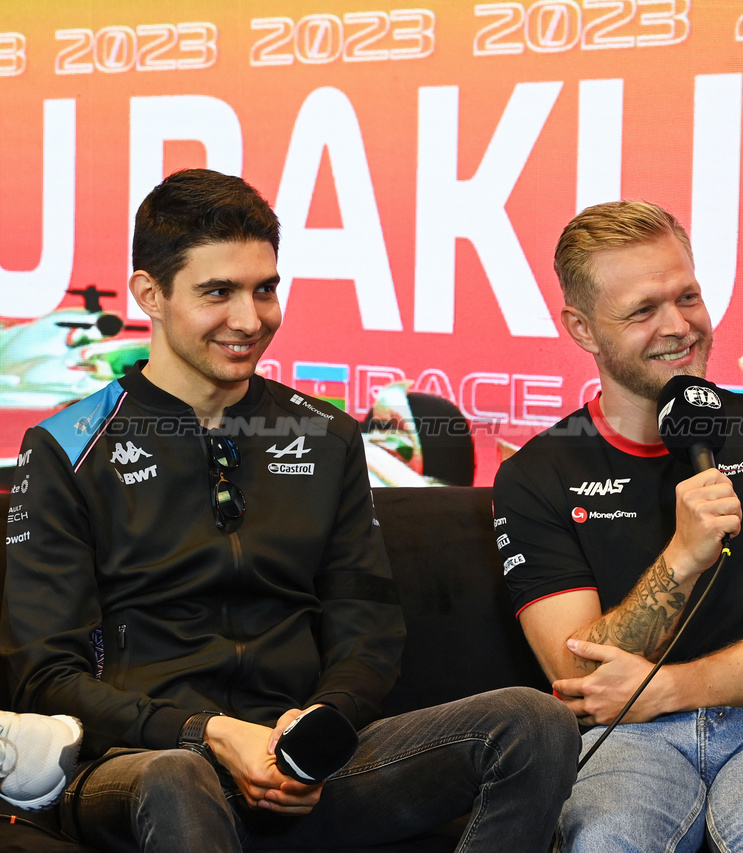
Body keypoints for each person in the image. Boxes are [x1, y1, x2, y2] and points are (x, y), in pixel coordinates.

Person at [0, 168, 578, 853]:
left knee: (533, 721)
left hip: (305, 768)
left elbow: (366, 627)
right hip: (141, 765)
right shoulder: (67, 447)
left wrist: (316, 731)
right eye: (218, 292)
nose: (250, 319)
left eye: (265, 289)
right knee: (179, 778)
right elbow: (44, 676)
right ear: (149, 295)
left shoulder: (325, 436)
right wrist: (208, 733)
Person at [492, 200, 743, 852]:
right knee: (605, 841)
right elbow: (579, 677)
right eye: (642, 310)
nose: (679, 325)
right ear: (582, 328)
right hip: (623, 738)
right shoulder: (536, 474)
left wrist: (673, 686)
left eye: (686, 295)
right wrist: (683, 557)